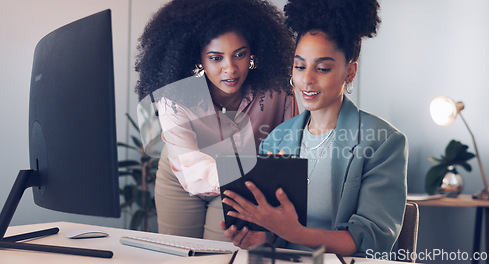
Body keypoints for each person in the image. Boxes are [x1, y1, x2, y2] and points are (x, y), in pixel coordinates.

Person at [220, 0, 408, 257]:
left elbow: (372, 240)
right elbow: (275, 235)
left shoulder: (383, 142)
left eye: (322, 68)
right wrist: (260, 237)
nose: (307, 79)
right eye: (299, 66)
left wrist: (294, 233)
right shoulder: (276, 139)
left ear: (350, 72)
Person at [134, 0, 298, 241]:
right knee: (181, 255)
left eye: (239, 55)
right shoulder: (174, 97)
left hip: (245, 182)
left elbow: (290, 154)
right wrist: (255, 169)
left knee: (221, 253)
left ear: (253, 51)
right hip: (182, 176)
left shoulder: (279, 92)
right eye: (216, 58)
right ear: (197, 57)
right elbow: (191, 170)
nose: (230, 69)